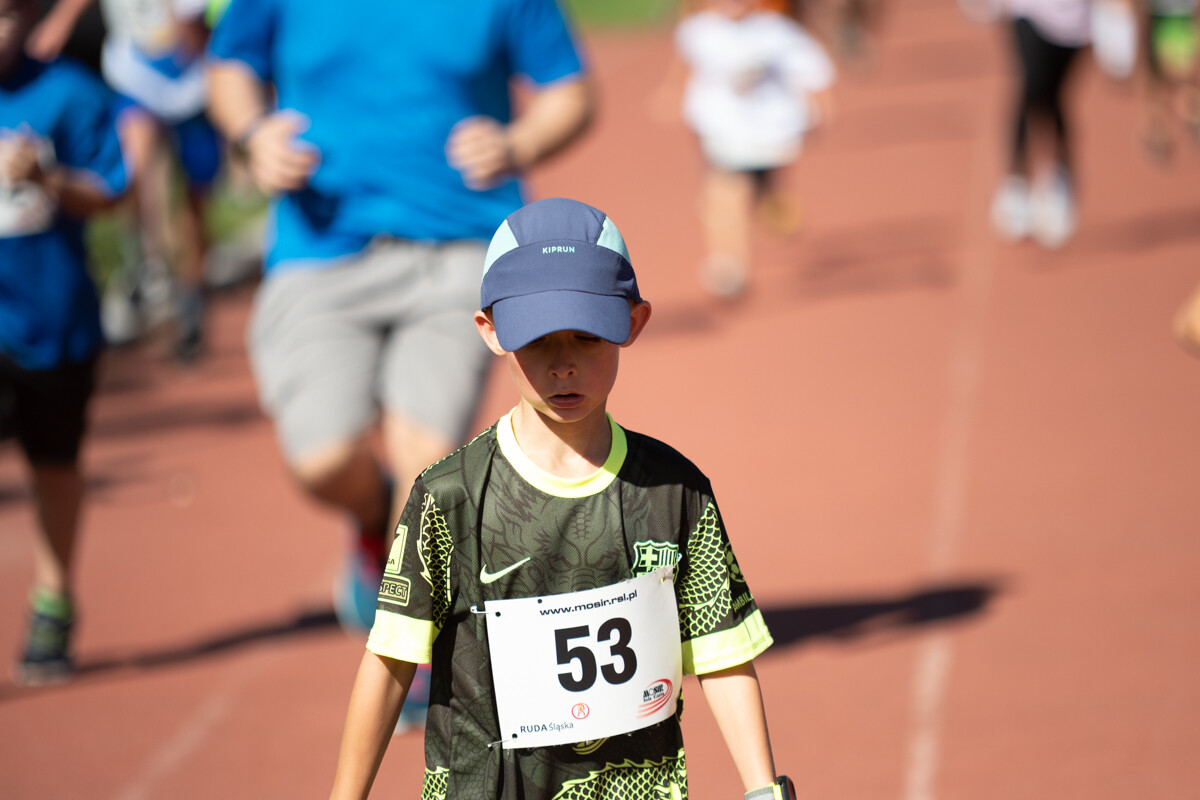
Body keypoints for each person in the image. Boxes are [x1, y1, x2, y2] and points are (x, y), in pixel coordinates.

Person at [206, 0, 592, 729]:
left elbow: (570, 88)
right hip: (320, 253)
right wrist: (253, 135)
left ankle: (416, 649)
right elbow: (230, 67)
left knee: (425, 456)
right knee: (320, 459)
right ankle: (367, 517)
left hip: (455, 247)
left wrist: (519, 140)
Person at [329, 197, 789, 800]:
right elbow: (389, 661)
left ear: (633, 322)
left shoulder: (675, 491)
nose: (563, 364)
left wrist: (761, 789)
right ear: (490, 331)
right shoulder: (449, 498)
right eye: (539, 340)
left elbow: (721, 651)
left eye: (588, 338)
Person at [1, 0, 127, 684]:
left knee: (52, 464)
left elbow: (112, 191)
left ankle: (52, 596)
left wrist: (46, 177)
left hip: (52, 321)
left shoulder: (69, 93)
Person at [666, 0, 834, 297]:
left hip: (769, 135)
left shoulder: (777, 33)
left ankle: (777, 208)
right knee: (723, 195)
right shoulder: (698, 31)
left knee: (771, 208)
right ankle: (730, 267)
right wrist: (672, 95)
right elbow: (684, 64)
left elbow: (814, 72)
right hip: (721, 131)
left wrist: (822, 109)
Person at [974, 0, 1092, 249]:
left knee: (1054, 95)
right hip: (1028, 10)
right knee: (1030, 85)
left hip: (1077, 21)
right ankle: (1017, 182)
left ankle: (1059, 180)